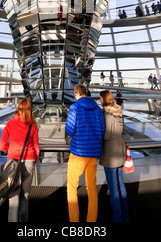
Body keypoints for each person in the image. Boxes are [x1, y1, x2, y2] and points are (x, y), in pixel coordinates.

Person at [65, 84, 105, 223]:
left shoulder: (75, 107)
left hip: (78, 152)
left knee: (71, 187)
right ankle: (91, 221)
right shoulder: (97, 109)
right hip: (93, 153)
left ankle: (74, 221)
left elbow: (70, 130)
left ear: (77, 93)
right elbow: (102, 129)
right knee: (92, 189)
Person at [0, 98, 39, 222]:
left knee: (13, 198)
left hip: (13, 162)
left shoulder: (11, 122)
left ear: (18, 109)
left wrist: (10, 149)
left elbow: (1, 145)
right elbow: (36, 148)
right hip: (29, 162)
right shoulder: (33, 124)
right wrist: (33, 161)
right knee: (25, 196)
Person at [99, 90, 129, 223]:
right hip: (120, 149)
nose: (99, 100)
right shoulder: (118, 111)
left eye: (100, 98)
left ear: (104, 99)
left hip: (111, 153)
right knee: (120, 183)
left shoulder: (105, 113)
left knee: (113, 187)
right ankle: (125, 214)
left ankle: (117, 217)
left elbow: (106, 135)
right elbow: (121, 130)